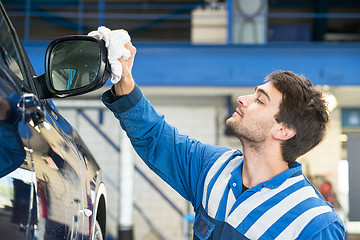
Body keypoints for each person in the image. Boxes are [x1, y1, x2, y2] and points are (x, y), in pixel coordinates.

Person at [101, 41, 345, 239]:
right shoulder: (214, 168)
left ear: (283, 130)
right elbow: (156, 137)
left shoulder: (314, 223)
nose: (242, 98)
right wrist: (124, 78)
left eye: (260, 100)